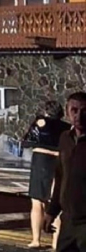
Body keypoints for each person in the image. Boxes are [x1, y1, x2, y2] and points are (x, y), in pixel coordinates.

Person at [23, 100, 69, 249]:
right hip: (58, 161)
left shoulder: (40, 122)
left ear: (46, 112)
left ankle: (36, 239)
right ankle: (56, 242)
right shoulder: (67, 127)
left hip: (41, 160)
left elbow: (28, 140)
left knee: (37, 202)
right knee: (56, 202)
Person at [45, 92, 86, 252]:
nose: (79, 116)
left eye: (84, 111)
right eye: (74, 110)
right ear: (67, 112)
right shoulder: (65, 139)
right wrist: (51, 212)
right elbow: (60, 177)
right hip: (68, 220)